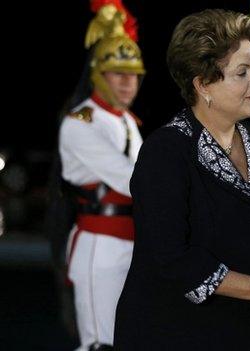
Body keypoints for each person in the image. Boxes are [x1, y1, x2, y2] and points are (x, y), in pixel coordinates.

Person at [114, 9, 250, 350]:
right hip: (176, 334)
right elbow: (172, 258)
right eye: (241, 72)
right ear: (202, 85)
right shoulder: (166, 151)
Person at [58, 2, 145, 349]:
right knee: (100, 344)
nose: (129, 83)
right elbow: (132, 179)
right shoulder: (80, 123)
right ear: (98, 74)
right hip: (101, 244)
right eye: (119, 74)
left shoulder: (125, 121)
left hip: (131, 241)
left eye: (134, 74)